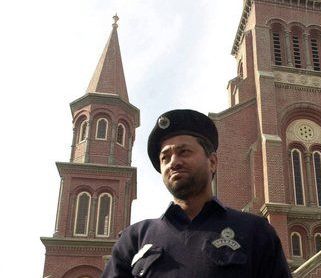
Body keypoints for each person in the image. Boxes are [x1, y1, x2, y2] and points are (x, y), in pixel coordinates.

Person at [102, 109, 291, 277]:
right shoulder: (134, 239)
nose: (173, 162)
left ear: (212, 162)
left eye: (184, 152)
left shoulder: (256, 232)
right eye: (165, 157)